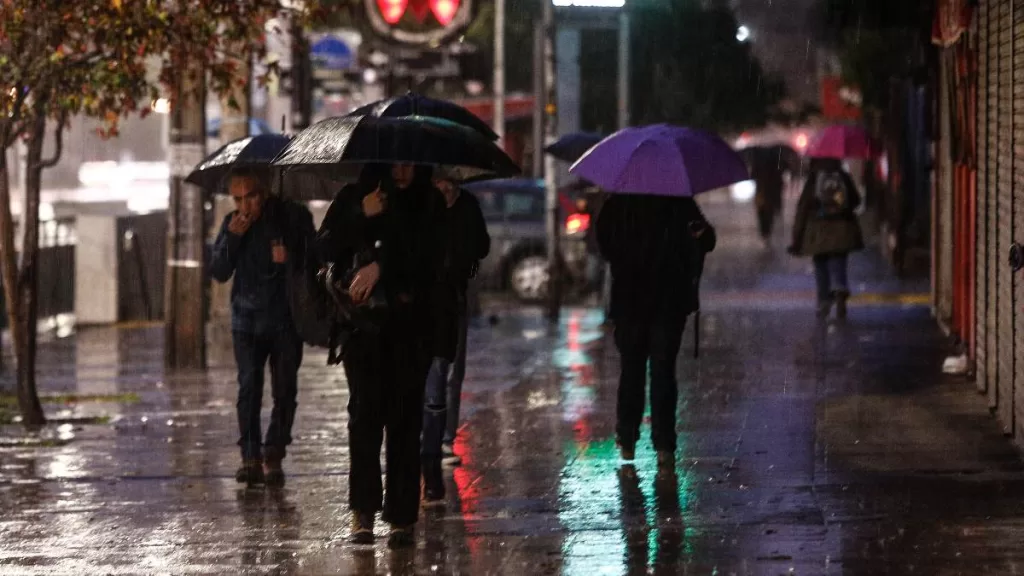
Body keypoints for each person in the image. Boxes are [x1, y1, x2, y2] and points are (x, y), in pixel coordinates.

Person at [316, 163, 445, 547]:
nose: (404, 171)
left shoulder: (428, 201)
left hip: (410, 329)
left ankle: (403, 517)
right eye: (396, 162)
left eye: (411, 161)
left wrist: (382, 267)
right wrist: (361, 214)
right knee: (365, 419)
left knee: (405, 421)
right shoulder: (355, 197)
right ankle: (363, 512)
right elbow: (324, 247)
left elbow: (434, 258)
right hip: (362, 330)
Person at [210, 167, 315, 488]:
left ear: (265, 192)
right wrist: (233, 237)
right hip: (246, 319)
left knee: (285, 389)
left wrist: (291, 257)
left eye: (251, 197)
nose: (245, 206)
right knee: (249, 387)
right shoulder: (233, 225)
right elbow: (219, 271)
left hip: (285, 319)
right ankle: (250, 456)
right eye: (238, 199)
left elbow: (316, 257)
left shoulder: (292, 217)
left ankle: (275, 450)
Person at [596, 194, 716, 468]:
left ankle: (627, 439)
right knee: (662, 371)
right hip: (668, 299)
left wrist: (625, 257)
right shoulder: (679, 200)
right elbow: (706, 240)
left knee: (632, 370)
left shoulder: (619, 201)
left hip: (630, 300)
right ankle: (664, 445)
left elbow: (603, 244)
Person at [421, 177, 490, 503]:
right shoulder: (423, 204)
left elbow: (482, 247)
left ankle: (443, 439)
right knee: (433, 377)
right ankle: (431, 447)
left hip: (455, 299)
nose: (444, 184)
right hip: (426, 303)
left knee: (451, 371)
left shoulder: (467, 207)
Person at [787, 158, 864, 319]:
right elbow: (856, 200)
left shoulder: (814, 179)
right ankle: (840, 286)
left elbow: (803, 208)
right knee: (838, 257)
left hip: (818, 230)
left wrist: (796, 238)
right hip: (842, 227)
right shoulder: (842, 176)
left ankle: (823, 300)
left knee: (820, 262)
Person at [750, 153, 784, 246]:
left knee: (762, 214)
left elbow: (753, 175)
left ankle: (764, 233)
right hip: (769, 194)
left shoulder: (757, 162)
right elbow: (779, 182)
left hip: (761, 192)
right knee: (768, 214)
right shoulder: (775, 164)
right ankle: (766, 232)